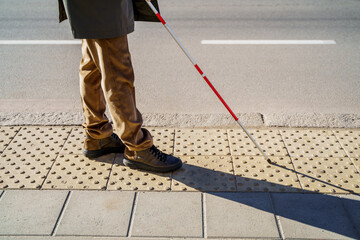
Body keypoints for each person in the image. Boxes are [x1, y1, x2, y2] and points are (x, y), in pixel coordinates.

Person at [58, 0, 182, 173]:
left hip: (90, 6)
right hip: (102, 6)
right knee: (117, 72)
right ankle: (137, 148)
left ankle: (97, 134)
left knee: (92, 64)